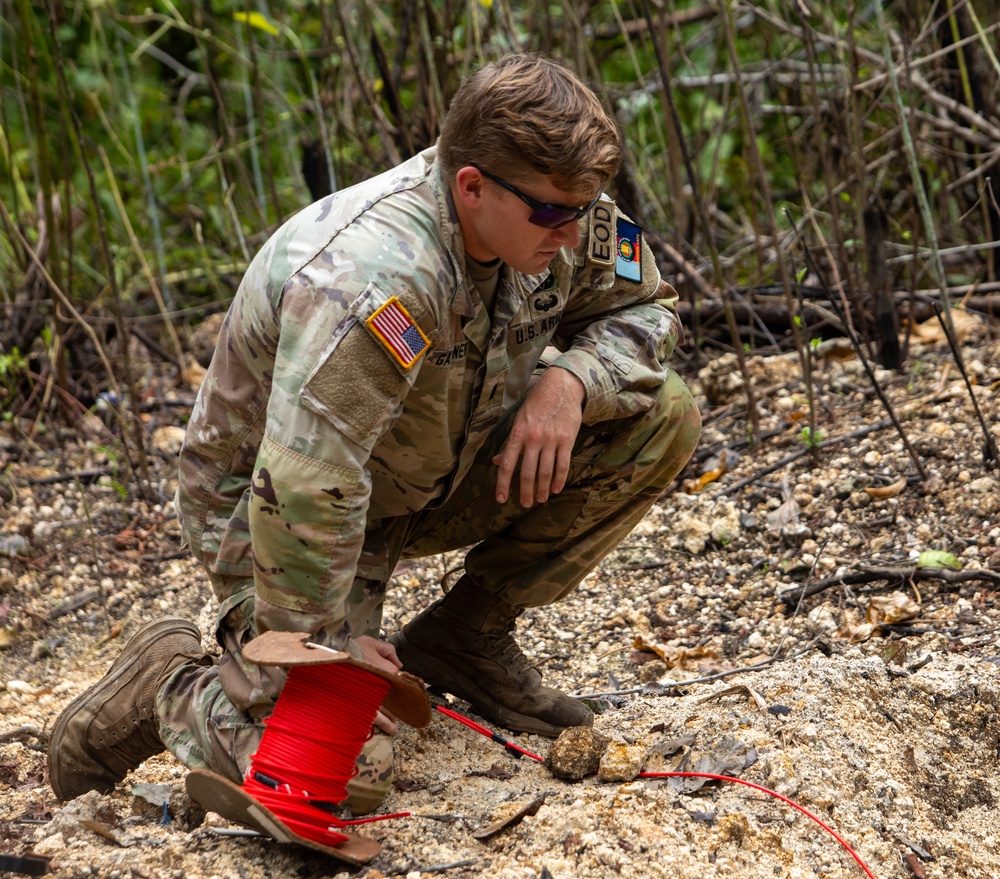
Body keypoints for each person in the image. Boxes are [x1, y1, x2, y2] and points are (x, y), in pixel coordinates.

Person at [48, 53, 702, 815]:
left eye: (588, 205)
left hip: (420, 471)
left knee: (664, 415)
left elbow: (648, 307)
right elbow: (304, 482)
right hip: (274, 507)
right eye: (557, 211)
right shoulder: (376, 276)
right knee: (344, 776)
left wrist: (571, 382)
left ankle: (467, 637)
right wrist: (326, 645)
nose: (576, 227)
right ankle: (172, 682)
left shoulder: (551, 215)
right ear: (471, 186)